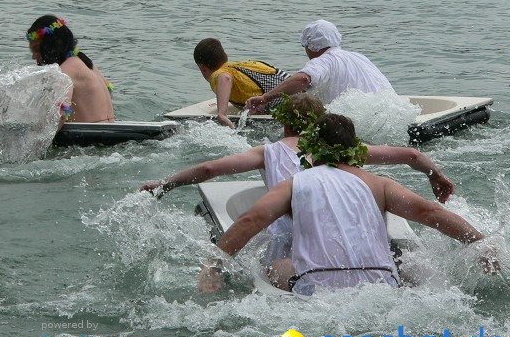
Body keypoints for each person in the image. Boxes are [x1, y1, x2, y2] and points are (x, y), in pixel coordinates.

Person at [197, 114, 495, 296]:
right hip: (381, 288)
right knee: (400, 258)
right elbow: (431, 213)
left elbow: (252, 220)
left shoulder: (295, 184)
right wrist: (481, 243)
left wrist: (213, 266)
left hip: (317, 290)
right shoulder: (379, 184)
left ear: (311, 148)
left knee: (277, 265)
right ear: (355, 149)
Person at [141, 93, 455, 266]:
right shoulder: (346, 150)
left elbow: (210, 169)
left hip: (292, 245)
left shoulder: (267, 152)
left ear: (283, 122)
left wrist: (163, 185)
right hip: (353, 239)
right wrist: (435, 175)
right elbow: (412, 155)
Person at [246, 19, 394, 111]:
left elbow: (303, 79)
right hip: (390, 109)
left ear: (310, 46)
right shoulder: (359, 57)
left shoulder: (324, 61)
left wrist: (265, 98)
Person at [27, 15, 114, 124]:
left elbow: (60, 116)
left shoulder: (66, 70)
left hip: (92, 140)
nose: (34, 56)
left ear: (53, 45)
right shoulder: (86, 62)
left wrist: (36, 138)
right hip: (110, 130)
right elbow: (110, 94)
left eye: (37, 50)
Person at [193, 38, 289, 128]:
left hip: (286, 107)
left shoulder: (218, 74)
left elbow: (225, 78)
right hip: (300, 97)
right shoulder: (246, 65)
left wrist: (222, 114)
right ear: (226, 56)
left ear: (203, 68)